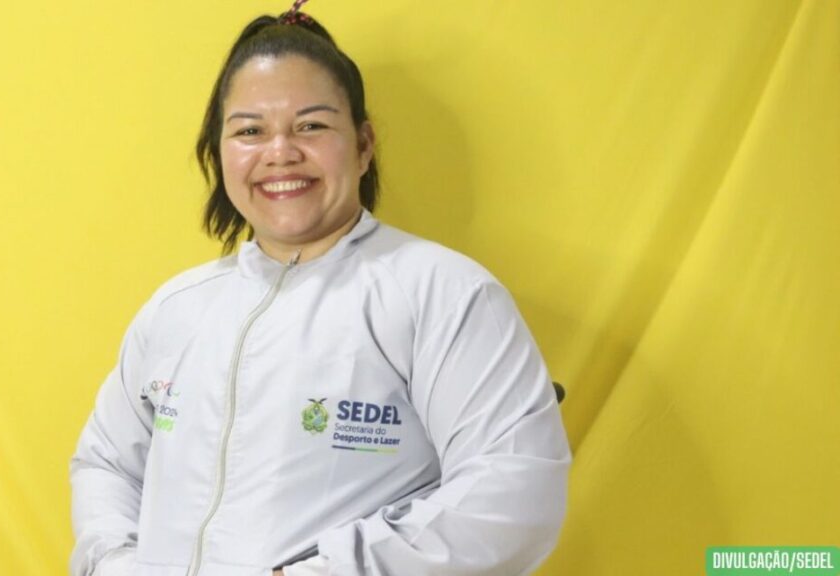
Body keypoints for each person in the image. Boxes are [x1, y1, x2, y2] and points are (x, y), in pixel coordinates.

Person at [70, 2, 571, 575]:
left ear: (363, 144)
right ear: (220, 150)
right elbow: (106, 464)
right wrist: (116, 564)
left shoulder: (444, 294)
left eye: (310, 126)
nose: (280, 153)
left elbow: (513, 495)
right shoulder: (177, 310)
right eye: (250, 131)